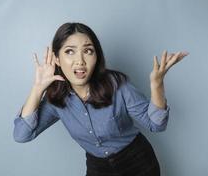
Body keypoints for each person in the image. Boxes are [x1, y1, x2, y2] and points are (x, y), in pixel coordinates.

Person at [13, 22, 189, 176]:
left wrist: (157, 84)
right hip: (98, 167)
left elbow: (156, 125)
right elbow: (21, 135)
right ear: (57, 59)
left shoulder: (118, 85)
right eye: (69, 52)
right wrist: (38, 89)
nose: (80, 60)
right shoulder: (55, 99)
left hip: (137, 162)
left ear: (96, 57)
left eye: (88, 51)